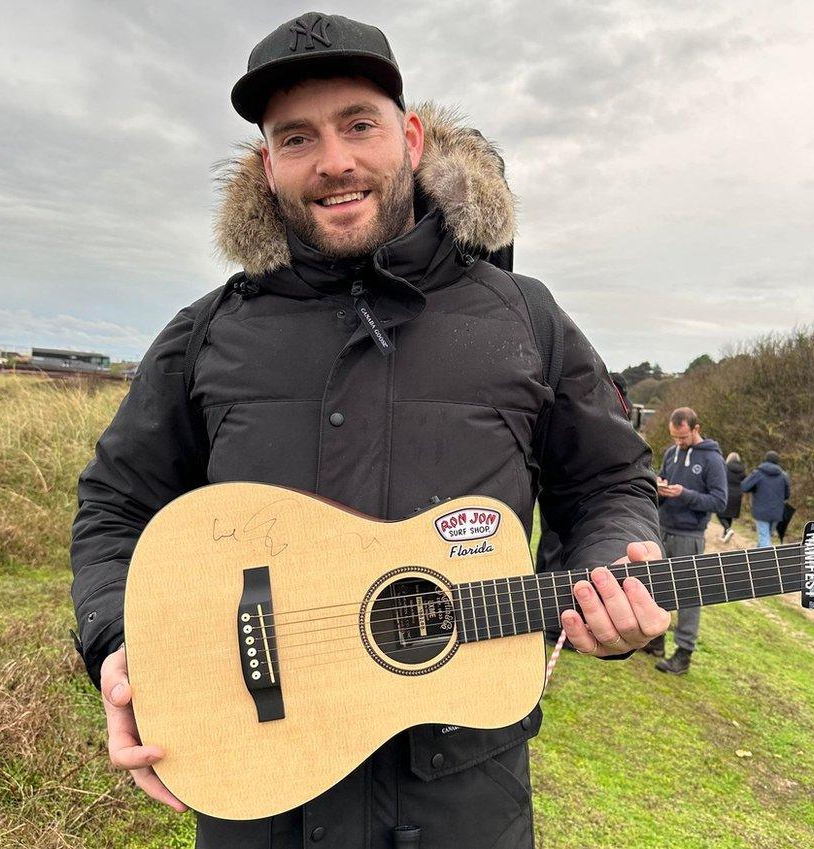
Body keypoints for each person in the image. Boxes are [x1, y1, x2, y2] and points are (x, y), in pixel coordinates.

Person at [69, 13, 670, 849]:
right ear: (268, 165)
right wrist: (118, 642)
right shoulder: (205, 335)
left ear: (411, 136)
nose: (336, 161)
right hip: (255, 800)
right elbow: (113, 505)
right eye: (297, 138)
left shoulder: (524, 319)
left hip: (461, 807)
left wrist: (613, 573)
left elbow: (609, 483)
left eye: (359, 124)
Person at [645, 407, 727, 674]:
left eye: (682, 437)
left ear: (695, 429)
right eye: (674, 437)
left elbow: (719, 501)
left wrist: (685, 494)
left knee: (688, 594)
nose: (678, 442)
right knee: (656, 586)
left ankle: (683, 653)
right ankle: (655, 640)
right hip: (663, 527)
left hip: (689, 535)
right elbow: (663, 484)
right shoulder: (671, 453)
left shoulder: (713, 461)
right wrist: (658, 488)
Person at [740, 451, 790, 548]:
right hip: (776, 512)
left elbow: (744, 487)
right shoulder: (783, 476)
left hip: (761, 511)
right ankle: (757, 558)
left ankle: (766, 561)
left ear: (765, 460)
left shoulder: (758, 473)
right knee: (765, 537)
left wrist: (754, 488)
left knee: (764, 538)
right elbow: (787, 495)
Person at [717, 451, 744, 542]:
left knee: (720, 513)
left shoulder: (724, 467)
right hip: (737, 495)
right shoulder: (742, 469)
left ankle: (728, 529)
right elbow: (745, 481)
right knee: (730, 514)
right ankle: (726, 534)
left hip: (726, 492)